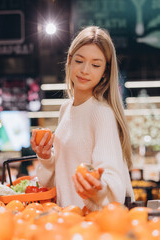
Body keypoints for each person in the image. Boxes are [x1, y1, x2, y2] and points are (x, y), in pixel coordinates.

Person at [30, 26, 134, 211]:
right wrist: (46, 157)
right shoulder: (66, 109)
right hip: (67, 220)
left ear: (105, 72)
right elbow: (61, 177)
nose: (85, 70)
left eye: (95, 65)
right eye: (79, 61)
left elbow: (112, 181)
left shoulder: (101, 113)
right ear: (69, 61)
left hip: (91, 226)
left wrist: (100, 187)